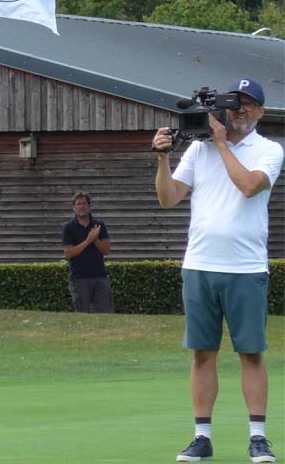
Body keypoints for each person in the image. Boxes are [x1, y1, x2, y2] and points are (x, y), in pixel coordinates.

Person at [153, 77, 282, 463]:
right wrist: (161, 157)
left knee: (251, 353)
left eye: (248, 104)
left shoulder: (269, 149)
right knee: (202, 354)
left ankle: (258, 438)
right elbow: (168, 198)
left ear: (260, 111)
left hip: (245, 268)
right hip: (199, 265)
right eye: (234, 103)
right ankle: (201, 437)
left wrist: (222, 143)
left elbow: (248, 186)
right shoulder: (197, 150)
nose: (240, 110)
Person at [60, 191, 113, 313]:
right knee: (82, 314)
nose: (81, 207)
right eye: (78, 204)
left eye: (84, 204)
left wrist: (95, 240)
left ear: (89, 206)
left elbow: (106, 250)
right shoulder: (68, 227)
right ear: (74, 208)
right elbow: (68, 254)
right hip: (79, 278)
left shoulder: (99, 225)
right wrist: (88, 240)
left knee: (106, 313)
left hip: (100, 276)